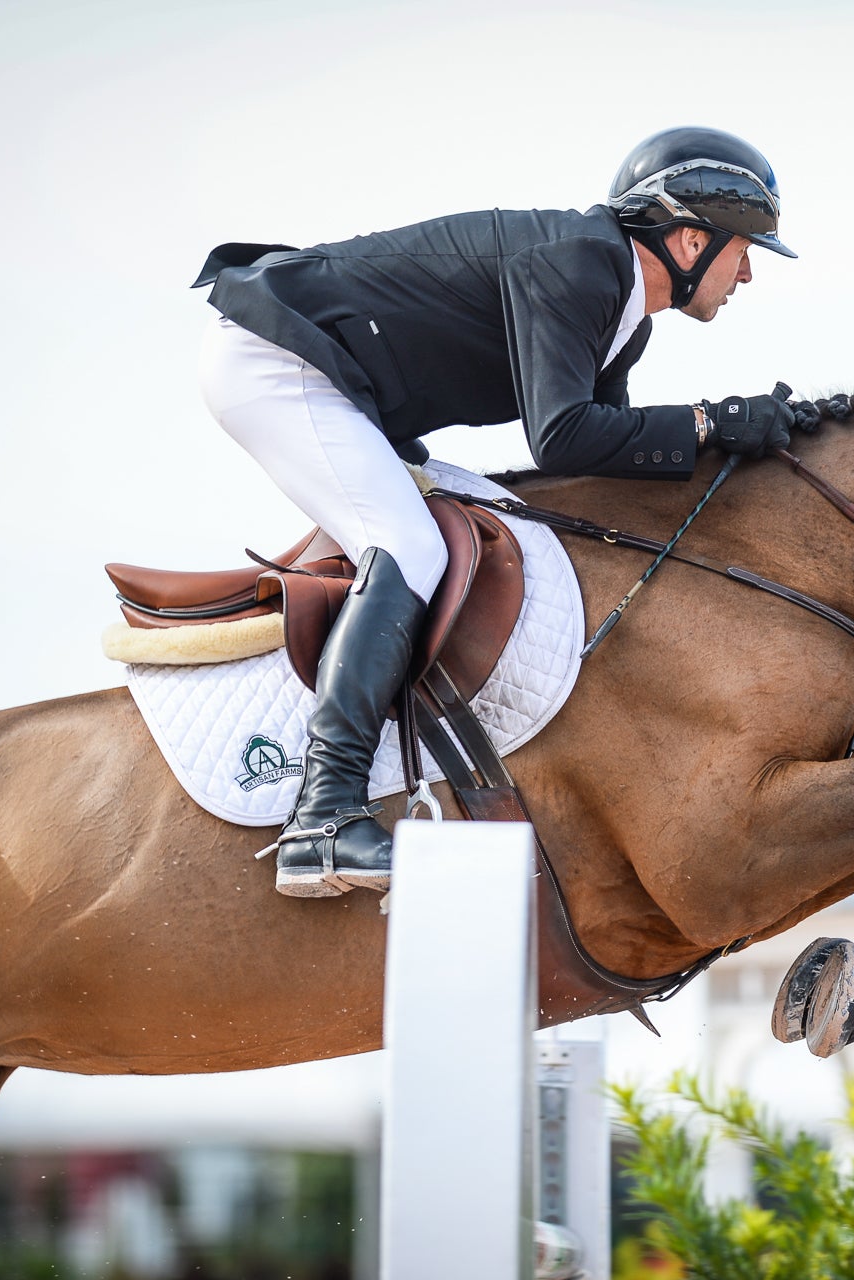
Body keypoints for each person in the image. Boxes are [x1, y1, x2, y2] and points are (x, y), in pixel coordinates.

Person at [190, 128, 798, 897]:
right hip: (276, 356)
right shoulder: (582, 262)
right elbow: (562, 436)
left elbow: (595, 469)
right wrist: (711, 422)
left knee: (468, 521)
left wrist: (732, 449)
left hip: (338, 379)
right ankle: (323, 818)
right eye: (744, 249)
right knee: (408, 546)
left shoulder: (623, 322)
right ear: (688, 238)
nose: (747, 273)